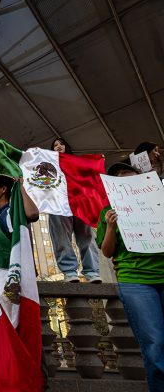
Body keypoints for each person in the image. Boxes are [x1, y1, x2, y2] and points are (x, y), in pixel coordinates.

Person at [97, 162, 164, 391]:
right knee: (154, 343)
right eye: (117, 177)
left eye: (129, 174)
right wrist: (109, 227)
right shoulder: (107, 211)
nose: (124, 177)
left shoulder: (159, 201)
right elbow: (107, 252)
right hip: (136, 281)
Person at [48, 138, 101, 283]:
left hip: (80, 203)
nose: (58, 146)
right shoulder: (48, 165)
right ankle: (70, 272)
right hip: (59, 204)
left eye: (61, 144)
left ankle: (92, 271)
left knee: (87, 236)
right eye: (55, 145)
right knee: (61, 238)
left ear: (67, 146)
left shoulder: (77, 162)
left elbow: (90, 177)